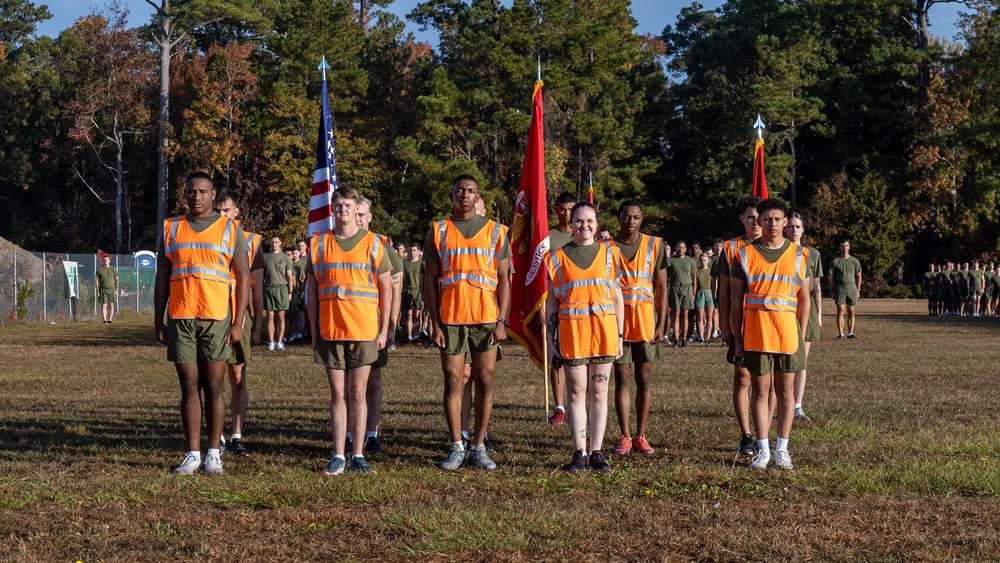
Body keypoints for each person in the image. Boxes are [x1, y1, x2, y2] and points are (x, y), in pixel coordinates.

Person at [155, 171, 249, 475]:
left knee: (214, 387)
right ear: (185, 195)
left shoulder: (229, 229)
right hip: (181, 317)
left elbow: (244, 276)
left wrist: (239, 322)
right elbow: (161, 276)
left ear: (213, 196)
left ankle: (213, 454)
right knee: (188, 388)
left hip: (216, 318)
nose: (197, 197)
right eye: (191, 191)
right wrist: (159, 318)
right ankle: (193, 453)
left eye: (203, 192)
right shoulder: (171, 228)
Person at [424, 175, 511, 471]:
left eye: (470, 191)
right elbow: (430, 282)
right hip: (450, 319)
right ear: (452, 195)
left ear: (478, 196)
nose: (465, 195)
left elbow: (504, 281)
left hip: (486, 320)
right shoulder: (438, 231)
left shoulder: (497, 231)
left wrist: (502, 320)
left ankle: (479, 445)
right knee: (453, 381)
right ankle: (456, 446)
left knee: (485, 380)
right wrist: (434, 324)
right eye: (460, 190)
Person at [307, 187, 392, 475]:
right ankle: (338, 455)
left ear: (357, 210)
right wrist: (313, 329)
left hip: (364, 329)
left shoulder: (374, 243)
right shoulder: (319, 244)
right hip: (331, 329)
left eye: (348, 205)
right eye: (338, 205)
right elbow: (311, 288)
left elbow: (386, 287)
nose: (343, 209)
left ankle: (358, 454)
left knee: (358, 393)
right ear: (332, 208)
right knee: (337, 395)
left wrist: (384, 330)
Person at [730, 198, 810, 470]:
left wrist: (800, 332)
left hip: (787, 334)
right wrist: (737, 338)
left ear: (785, 222)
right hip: (757, 334)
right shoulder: (743, 254)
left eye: (778, 219)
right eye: (767, 219)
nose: (772, 224)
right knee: (760, 391)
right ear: (758, 221)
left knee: (785, 391)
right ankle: (762, 450)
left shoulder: (801, 254)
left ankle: (782, 449)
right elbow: (736, 300)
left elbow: (805, 299)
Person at [545, 202, 624, 472]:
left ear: (597, 223)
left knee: (600, 392)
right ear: (571, 223)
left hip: (603, 333)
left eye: (589, 221)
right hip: (573, 334)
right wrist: (549, 340)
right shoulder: (556, 257)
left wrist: (621, 336)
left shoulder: (610, 254)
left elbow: (617, 298)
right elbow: (552, 303)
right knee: (577, 393)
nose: (584, 226)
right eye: (579, 221)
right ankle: (579, 452)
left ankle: (596, 452)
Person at [609, 199, 666, 455]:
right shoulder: (606, 247)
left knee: (644, 378)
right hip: (616, 324)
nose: (630, 221)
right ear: (618, 217)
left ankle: (641, 435)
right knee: (621, 378)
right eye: (626, 216)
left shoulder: (655, 245)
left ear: (642, 220)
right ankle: (625, 435)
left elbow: (662, 286)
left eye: (635, 217)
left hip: (645, 323)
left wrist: (662, 323)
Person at [214, 191, 264, 457]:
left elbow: (257, 287)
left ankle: (237, 434)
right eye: (218, 210)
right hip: (212, 313)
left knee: (237, 377)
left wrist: (256, 325)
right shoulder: (209, 237)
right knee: (214, 377)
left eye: (226, 210)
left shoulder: (253, 242)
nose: (222, 215)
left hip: (239, 317)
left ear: (236, 212)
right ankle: (217, 435)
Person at [355, 195, 402, 456]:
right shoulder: (338, 242)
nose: (358, 218)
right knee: (350, 385)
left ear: (370, 217)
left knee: (372, 381)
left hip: (374, 325)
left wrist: (391, 325)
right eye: (355, 213)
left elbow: (394, 287)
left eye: (362, 214)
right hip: (347, 323)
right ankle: (351, 435)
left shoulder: (381, 245)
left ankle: (371, 434)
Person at [718, 195, 764, 456]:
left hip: (768, 322)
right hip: (742, 321)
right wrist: (725, 324)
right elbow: (723, 291)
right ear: (742, 219)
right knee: (743, 378)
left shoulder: (777, 246)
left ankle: (764, 434)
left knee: (767, 380)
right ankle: (747, 434)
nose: (756, 222)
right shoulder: (731, 248)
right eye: (751, 217)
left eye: (761, 218)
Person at [784, 213, 821, 422]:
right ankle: (783, 402)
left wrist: (819, 313)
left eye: (797, 227)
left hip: (807, 310)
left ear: (803, 229)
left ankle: (797, 405)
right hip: (785, 309)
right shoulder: (779, 251)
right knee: (784, 359)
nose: (794, 230)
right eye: (790, 227)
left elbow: (816, 286)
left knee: (801, 361)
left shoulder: (812, 254)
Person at [547, 192, 578, 425]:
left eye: (571, 209)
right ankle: (559, 406)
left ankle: (578, 400)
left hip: (581, 305)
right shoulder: (548, 237)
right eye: (563, 209)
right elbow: (541, 275)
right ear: (556, 210)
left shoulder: (585, 235)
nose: (567, 214)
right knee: (556, 357)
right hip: (556, 302)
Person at [263, 235, 294, 350]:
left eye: (276, 242)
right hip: (268, 288)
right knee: (270, 316)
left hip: (282, 289)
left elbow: (290, 277)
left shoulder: (285, 258)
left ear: (280, 243)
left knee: (281, 316)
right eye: (272, 242)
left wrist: (290, 292)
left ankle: (280, 341)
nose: (274, 244)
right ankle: (271, 342)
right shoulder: (265, 257)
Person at [828, 240, 862, 338]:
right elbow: (830, 276)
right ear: (840, 247)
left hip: (852, 288)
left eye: (846, 246)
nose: (845, 248)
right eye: (843, 246)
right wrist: (832, 290)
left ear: (849, 247)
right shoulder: (835, 261)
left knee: (851, 309)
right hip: (840, 288)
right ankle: (841, 333)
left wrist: (858, 289)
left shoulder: (855, 261)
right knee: (841, 309)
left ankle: (850, 333)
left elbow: (859, 275)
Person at [666, 240, 697, 347]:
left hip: (687, 288)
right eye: (679, 247)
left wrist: (694, 292)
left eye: (683, 247)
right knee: (676, 314)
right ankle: (676, 339)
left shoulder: (690, 261)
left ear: (686, 249)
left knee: (685, 314)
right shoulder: (670, 261)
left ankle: (684, 338)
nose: (681, 249)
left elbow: (694, 277)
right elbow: (666, 277)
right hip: (674, 288)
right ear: (675, 248)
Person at [402, 242, 425, 343]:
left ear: (419, 251)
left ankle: (416, 335)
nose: (413, 252)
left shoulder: (422, 263)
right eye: (411, 250)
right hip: (407, 289)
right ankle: (409, 336)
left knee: (417, 314)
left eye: (415, 250)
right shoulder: (405, 262)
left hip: (418, 291)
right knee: (409, 314)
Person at [694, 252, 714, 343]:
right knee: (700, 317)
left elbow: (714, 283)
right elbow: (694, 284)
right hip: (699, 293)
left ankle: (708, 337)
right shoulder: (697, 271)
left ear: (708, 261)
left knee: (709, 317)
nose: (703, 262)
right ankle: (701, 337)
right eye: (701, 260)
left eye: (705, 260)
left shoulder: (711, 270)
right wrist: (694, 294)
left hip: (709, 292)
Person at [95, 254, 118, 323]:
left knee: (111, 305)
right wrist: (97, 291)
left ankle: (110, 319)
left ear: (109, 261)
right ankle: (104, 320)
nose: (106, 261)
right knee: (104, 305)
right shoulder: (100, 270)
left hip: (111, 289)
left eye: (107, 260)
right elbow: (96, 281)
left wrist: (116, 289)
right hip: (103, 289)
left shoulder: (113, 269)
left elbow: (117, 280)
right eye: (105, 260)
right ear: (103, 261)